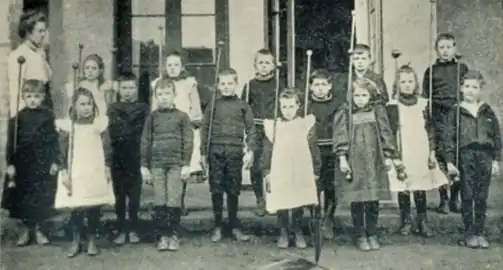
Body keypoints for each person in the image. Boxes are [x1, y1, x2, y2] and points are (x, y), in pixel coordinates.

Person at [333, 79, 403, 251]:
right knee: (358, 199)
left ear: (371, 96)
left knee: (373, 198)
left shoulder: (377, 111)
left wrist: (388, 155)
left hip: (374, 161)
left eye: (364, 95)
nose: (360, 99)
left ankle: (372, 232)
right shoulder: (346, 112)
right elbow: (340, 135)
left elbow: (386, 133)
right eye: (356, 95)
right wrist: (342, 157)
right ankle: (360, 234)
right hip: (355, 161)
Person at [386, 65, 449, 237]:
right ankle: (405, 220)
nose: (407, 85)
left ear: (416, 83)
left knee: (420, 187)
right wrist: (393, 155)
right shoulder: (393, 105)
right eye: (403, 82)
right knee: (404, 186)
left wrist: (431, 152)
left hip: (420, 148)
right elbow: (390, 131)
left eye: (410, 81)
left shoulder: (423, 103)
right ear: (397, 84)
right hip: (403, 148)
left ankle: (422, 221)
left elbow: (430, 129)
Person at [442, 71, 501, 249]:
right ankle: (469, 233)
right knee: (467, 195)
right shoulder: (456, 111)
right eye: (467, 86)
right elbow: (448, 137)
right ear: (461, 88)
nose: (470, 90)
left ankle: (480, 232)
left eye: (474, 87)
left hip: (485, 155)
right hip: (465, 156)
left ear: (481, 89)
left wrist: (496, 160)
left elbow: (496, 136)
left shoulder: (487, 111)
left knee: (481, 196)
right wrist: (450, 161)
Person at [54, 88, 114, 257]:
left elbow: (107, 147)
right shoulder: (68, 126)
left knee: (93, 206)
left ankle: (92, 239)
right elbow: (61, 151)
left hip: (94, 169)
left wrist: (107, 167)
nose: (86, 108)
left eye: (89, 104)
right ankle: (76, 239)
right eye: (82, 104)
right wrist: (64, 171)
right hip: (75, 171)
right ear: (74, 106)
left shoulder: (99, 124)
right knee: (76, 207)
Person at [1, 80, 59, 246]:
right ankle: (26, 230)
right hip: (23, 164)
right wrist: (10, 164)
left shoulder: (48, 116)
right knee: (24, 198)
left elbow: (53, 141)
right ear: (23, 97)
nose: (33, 100)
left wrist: (55, 161)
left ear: (42, 97)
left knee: (41, 196)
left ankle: (40, 230)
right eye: (29, 96)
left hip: (42, 163)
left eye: (37, 96)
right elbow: (10, 144)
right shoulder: (17, 119)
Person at [201, 68, 256, 242]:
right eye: (222, 83)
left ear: (236, 84)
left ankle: (233, 225)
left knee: (233, 189)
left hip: (234, 151)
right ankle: (217, 225)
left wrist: (251, 150)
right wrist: (203, 152)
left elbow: (251, 129)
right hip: (215, 151)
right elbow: (205, 129)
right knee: (216, 189)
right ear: (217, 85)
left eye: (229, 83)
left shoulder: (242, 106)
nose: (226, 87)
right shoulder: (213, 105)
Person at [261, 88, 321, 249]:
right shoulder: (273, 126)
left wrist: (316, 169)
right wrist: (266, 170)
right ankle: (283, 232)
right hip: (280, 167)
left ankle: (297, 231)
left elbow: (313, 147)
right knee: (282, 200)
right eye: (284, 107)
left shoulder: (305, 124)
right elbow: (267, 150)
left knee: (297, 200)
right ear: (279, 108)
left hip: (300, 167)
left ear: (298, 106)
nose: (288, 111)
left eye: (291, 107)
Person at [140, 78, 193, 251]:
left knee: (174, 199)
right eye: (159, 94)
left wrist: (186, 164)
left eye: (167, 93)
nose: (163, 98)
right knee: (160, 199)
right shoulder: (152, 118)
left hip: (176, 164)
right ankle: (163, 235)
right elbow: (146, 141)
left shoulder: (182, 117)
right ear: (155, 96)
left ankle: (173, 235)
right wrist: (144, 166)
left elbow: (188, 141)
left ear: (175, 95)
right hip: (157, 165)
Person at [151, 51, 204, 215]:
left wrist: (195, 121)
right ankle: (166, 202)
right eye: (169, 65)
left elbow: (195, 106)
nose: (172, 68)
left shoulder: (189, 83)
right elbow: (154, 107)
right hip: (166, 129)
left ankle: (179, 201)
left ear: (182, 67)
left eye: (176, 65)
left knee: (182, 166)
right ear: (164, 67)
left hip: (184, 127)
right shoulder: (158, 84)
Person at [422, 33, 469, 214]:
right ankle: (443, 198)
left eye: (448, 47)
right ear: (436, 50)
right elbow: (426, 94)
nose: (445, 51)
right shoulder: (431, 71)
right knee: (441, 154)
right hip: (438, 113)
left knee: (456, 153)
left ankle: (455, 198)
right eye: (441, 47)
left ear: (454, 48)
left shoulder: (461, 68)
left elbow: (466, 90)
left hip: (455, 112)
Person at [241, 48, 285, 216]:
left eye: (268, 63)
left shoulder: (279, 85)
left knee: (273, 164)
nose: (264, 66)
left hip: (274, 128)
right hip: (256, 129)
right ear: (255, 65)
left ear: (273, 66)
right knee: (256, 165)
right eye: (261, 63)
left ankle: (275, 199)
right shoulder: (249, 86)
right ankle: (260, 199)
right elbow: (244, 109)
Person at [107, 72, 149, 245]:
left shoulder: (143, 108)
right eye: (124, 87)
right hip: (118, 155)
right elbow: (111, 132)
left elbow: (145, 132)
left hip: (136, 154)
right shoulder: (112, 108)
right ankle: (121, 227)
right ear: (118, 89)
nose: (127, 91)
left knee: (134, 193)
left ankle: (132, 227)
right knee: (119, 193)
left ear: (136, 89)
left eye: (131, 87)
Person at [306, 69, 345, 240]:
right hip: (312, 151)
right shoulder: (306, 106)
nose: (320, 88)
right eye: (316, 85)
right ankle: (314, 219)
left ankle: (328, 219)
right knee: (314, 186)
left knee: (330, 186)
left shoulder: (337, 105)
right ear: (310, 87)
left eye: (323, 84)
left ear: (330, 86)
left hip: (331, 150)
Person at [9, 10, 53, 115]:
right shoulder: (19, 55)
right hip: (28, 113)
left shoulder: (39, 53)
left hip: (43, 108)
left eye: (44, 31)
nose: (43, 35)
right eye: (40, 31)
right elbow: (16, 90)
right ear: (28, 33)